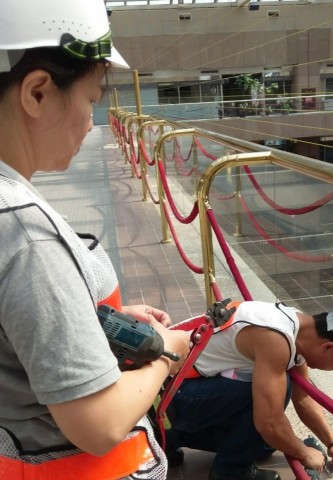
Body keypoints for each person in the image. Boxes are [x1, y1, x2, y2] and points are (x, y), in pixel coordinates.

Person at [0, 1, 190, 479]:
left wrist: (85, 318)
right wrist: (164, 353)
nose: (91, 121)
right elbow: (98, 423)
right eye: (90, 99)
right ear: (38, 93)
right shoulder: (26, 235)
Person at [164, 300, 333, 480]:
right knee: (278, 398)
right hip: (174, 394)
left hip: (175, 386)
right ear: (329, 347)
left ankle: (172, 436)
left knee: (265, 444)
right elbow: (268, 422)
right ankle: (231, 471)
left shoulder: (295, 326)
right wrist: (305, 453)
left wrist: (332, 443)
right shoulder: (276, 340)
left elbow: (304, 400)